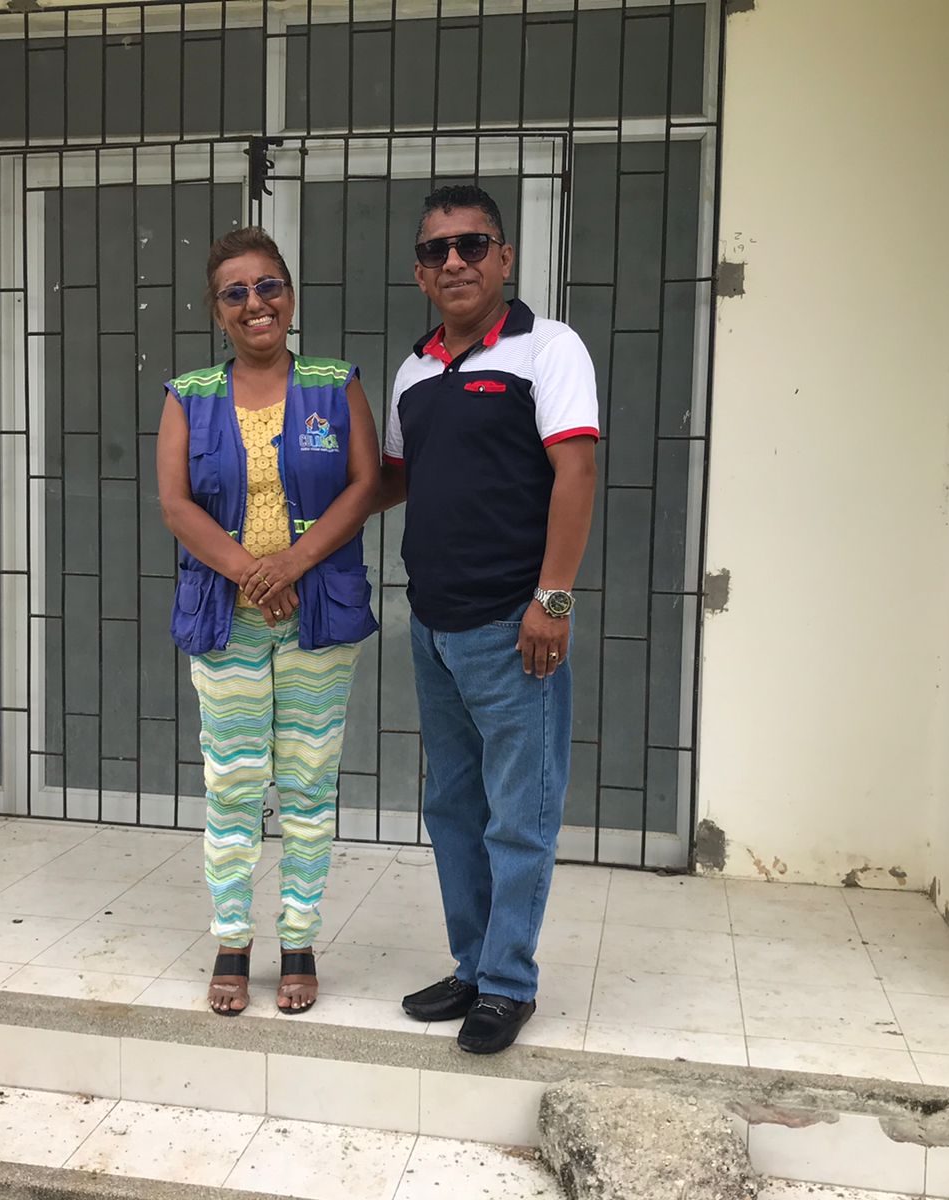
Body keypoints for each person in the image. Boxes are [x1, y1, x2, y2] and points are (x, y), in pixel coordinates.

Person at [375, 185, 599, 1054]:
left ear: (504, 257)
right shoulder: (414, 372)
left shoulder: (549, 349)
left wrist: (554, 600)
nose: (455, 261)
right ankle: (472, 966)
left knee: (518, 816)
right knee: (453, 809)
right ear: (420, 273)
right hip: (434, 626)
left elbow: (575, 473)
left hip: (515, 626)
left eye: (473, 244)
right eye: (437, 250)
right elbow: (397, 479)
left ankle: (508, 984)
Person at [157, 227, 379, 1017]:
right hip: (228, 618)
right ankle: (230, 941)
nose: (256, 304)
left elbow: (364, 485)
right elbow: (176, 504)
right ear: (217, 309)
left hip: (318, 612)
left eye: (268, 286)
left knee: (309, 780)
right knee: (234, 783)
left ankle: (299, 942)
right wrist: (251, 572)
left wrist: (291, 564)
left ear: (290, 293)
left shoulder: (334, 383)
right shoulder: (189, 395)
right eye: (236, 292)